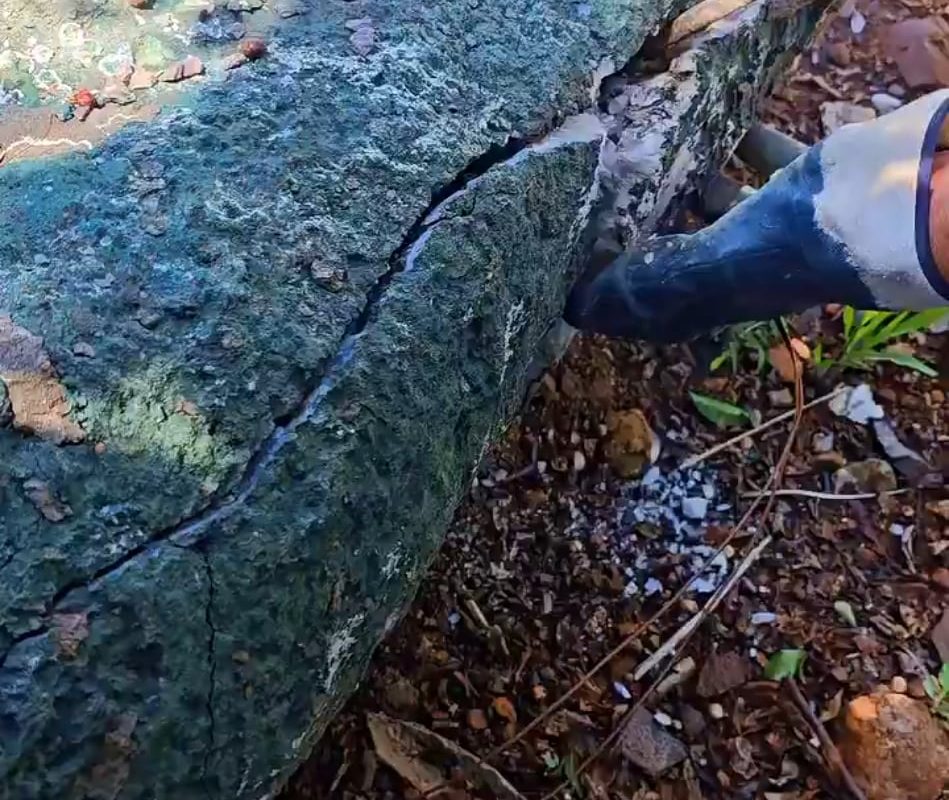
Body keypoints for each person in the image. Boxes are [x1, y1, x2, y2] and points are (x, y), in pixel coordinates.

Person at [564, 90, 949, 342]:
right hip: (905, 154)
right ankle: (740, 199)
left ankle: (596, 294)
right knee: (834, 171)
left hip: (881, 235)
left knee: (708, 274)